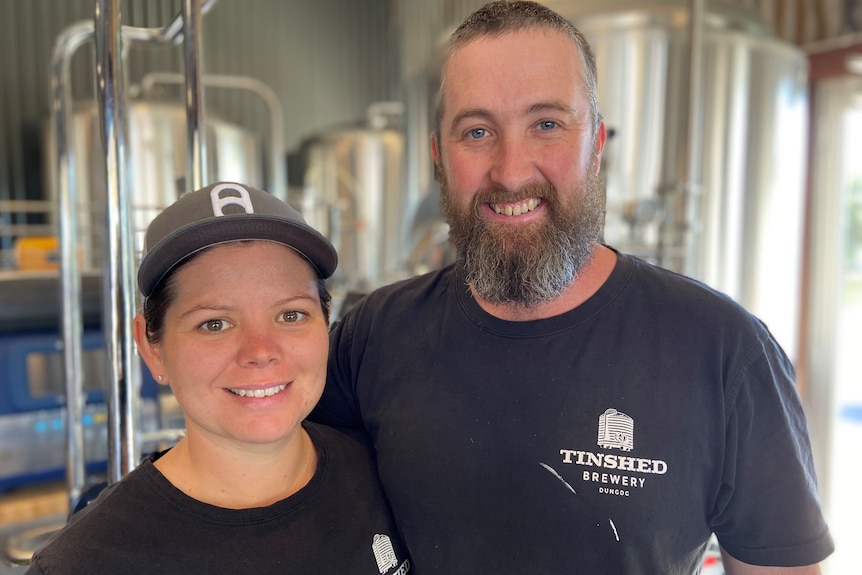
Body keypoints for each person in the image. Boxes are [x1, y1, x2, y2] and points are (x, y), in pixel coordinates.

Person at [310, 2, 834, 574]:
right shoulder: (374, 337)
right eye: (477, 131)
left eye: (547, 125)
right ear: (439, 154)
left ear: (597, 143)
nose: (511, 171)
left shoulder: (724, 351)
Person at [26, 182, 411, 575]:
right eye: (214, 323)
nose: (260, 351)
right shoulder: (85, 563)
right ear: (151, 346)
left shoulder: (386, 474)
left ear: (325, 322)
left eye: (291, 315)